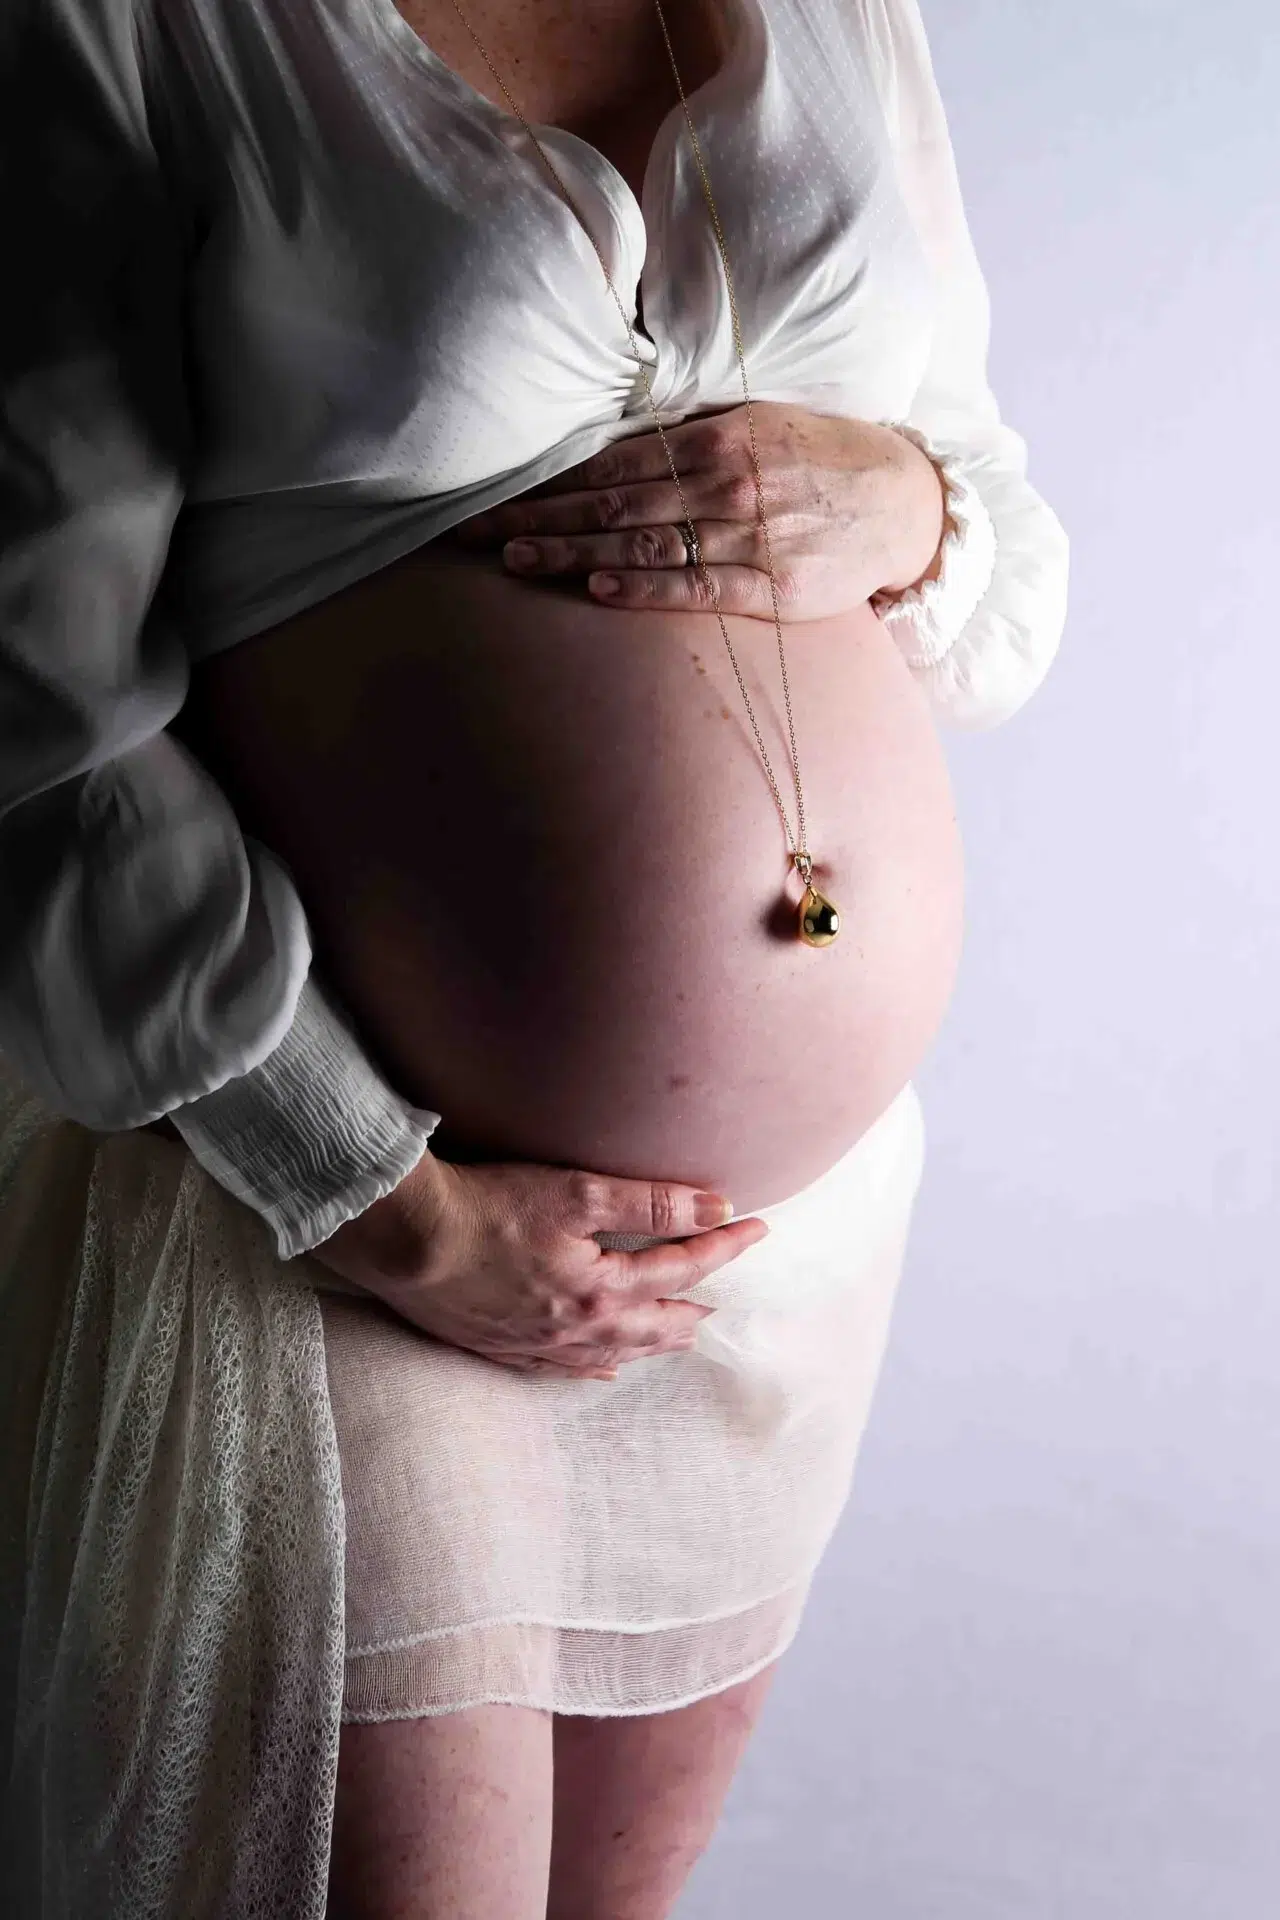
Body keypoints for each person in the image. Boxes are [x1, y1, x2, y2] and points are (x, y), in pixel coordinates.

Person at [0, 0, 1069, 1913]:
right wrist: (374, 1197)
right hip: (350, 1226)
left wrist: (906, 502)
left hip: (777, 1257)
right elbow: (36, 701)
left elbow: (998, 566)